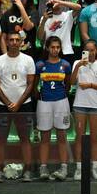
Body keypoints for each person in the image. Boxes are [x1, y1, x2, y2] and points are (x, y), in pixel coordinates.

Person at [0, 29, 32, 182]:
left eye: (17, 40)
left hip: (24, 105)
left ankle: (27, 171)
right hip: (1, 105)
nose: (14, 42)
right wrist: (8, 103)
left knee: (25, 138)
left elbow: (30, 84)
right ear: (6, 42)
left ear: (21, 42)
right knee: (0, 140)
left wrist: (18, 103)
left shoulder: (28, 60)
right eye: (11, 40)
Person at [70, 38, 97, 180]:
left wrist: (91, 85)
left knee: (94, 138)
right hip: (80, 105)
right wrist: (78, 66)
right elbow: (71, 82)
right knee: (79, 137)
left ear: (96, 51)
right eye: (88, 50)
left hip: (96, 106)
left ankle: (95, 168)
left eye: (93, 50)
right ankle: (79, 168)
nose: (91, 53)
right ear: (83, 51)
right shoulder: (77, 63)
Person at [34, 34, 70, 181]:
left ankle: (64, 168)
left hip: (61, 101)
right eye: (52, 47)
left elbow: (68, 85)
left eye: (57, 47)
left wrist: (60, 95)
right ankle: (43, 168)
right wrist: (42, 96)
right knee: (45, 136)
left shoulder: (66, 65)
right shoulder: (40, 65)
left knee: (62, 135)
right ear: (47, 48)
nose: (55, 50)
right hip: (44, 102)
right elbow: (34, 86)